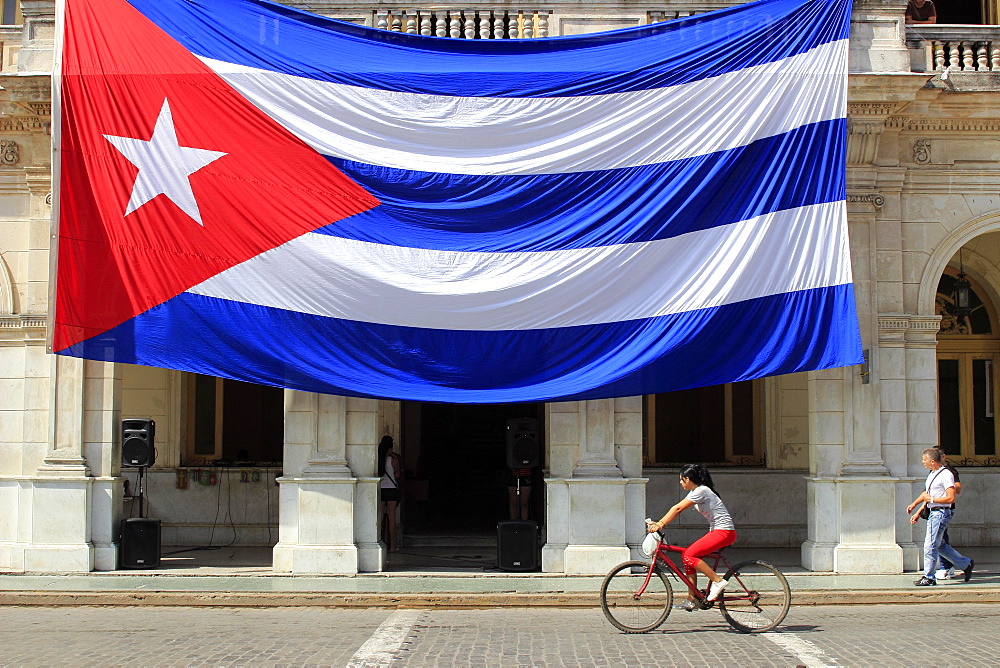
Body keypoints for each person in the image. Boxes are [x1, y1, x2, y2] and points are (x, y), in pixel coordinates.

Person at [647, 464, 737, 611]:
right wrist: (658, 523)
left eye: (681, 480)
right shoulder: (697, 491)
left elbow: (677, 508)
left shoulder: (701, 490)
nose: (680, 483)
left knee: (689, 555)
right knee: (687, 557)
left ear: (688, 479)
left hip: (724, 532)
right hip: (718, 531)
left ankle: (718, 581)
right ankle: (691, 600)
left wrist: (661, 523)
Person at [906, 448, 973, 586]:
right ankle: (965, 564)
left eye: (924, 460)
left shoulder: (946, 474)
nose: (922, 462)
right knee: (940, 544)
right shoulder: (932, 473)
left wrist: (931, 500)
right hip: (933, 512)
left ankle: (929, 577)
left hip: (941, 513)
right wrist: (915, 505)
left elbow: (951, 498)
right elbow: (927, 494)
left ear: (932, 461)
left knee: (930, 545)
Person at [378, 435, 402, 552]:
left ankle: (379, 541)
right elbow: (397, 475)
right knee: (392, 518)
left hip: (381, 488)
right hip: (392, 489)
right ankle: (392, 546)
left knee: (380, 517)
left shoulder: (379, 459)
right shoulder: (393, 460)